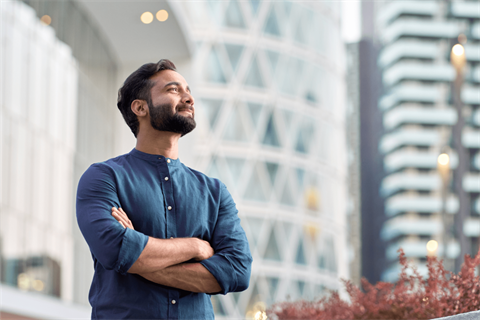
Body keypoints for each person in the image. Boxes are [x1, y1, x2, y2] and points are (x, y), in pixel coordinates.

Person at [76, 59, 252, 320]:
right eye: (173, 90)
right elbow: (114, 249)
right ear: (140, 107)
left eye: (188, 90)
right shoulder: (104, 177)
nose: (188, 98)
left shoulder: (214, 192)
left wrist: (140, 256)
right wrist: (195, 247)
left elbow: (237, 271)